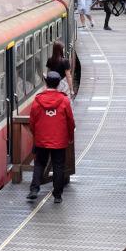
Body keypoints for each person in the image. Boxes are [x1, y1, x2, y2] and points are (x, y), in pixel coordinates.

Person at [27, 71, 76, 204]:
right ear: (59, 83)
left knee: (39, 164)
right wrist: (70, 136)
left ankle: (34, 189)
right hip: (59, 140)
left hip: (41, 139)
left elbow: (32, 120)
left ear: (45, 82)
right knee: (58, 166)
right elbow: (70, 121)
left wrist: (35, 134)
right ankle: (57, 195)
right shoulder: (64, 100)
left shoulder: (38, 99)